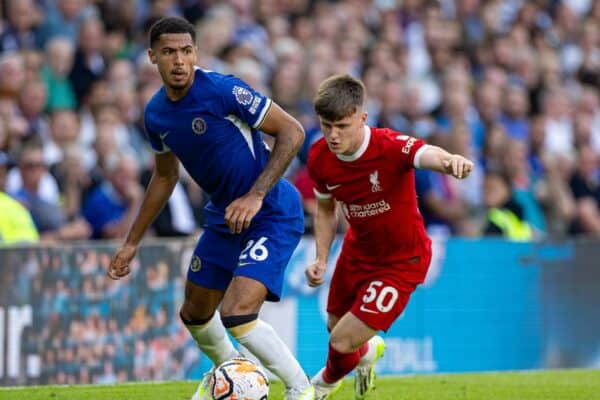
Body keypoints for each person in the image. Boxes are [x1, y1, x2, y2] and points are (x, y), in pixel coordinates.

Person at [106, 17, 314, 400]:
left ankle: (302, 390)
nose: (179, 60)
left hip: (270, 211)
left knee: (237, 313)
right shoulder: (155, 115)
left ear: (196, 52)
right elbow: (165, 178)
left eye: (186, 51)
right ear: (153, 57)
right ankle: (229, 372)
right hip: (224, 219)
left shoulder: (223, 89)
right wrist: (132, 242)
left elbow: (293, 132)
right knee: (195, 313)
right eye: (169, 52)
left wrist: (254, 195)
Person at [305, 75, 474, 400]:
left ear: (362, 117)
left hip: (401, 261)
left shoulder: (389, 146)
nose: (333, 135)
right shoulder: (319, 158)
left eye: (341, 125)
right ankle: (368, 353)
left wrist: (450, 162)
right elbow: (326, 210)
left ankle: (319, 387)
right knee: (335, 327)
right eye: (326, 126)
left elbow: (426, 153)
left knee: (340, 342)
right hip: (357, 252)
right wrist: (321, 258)